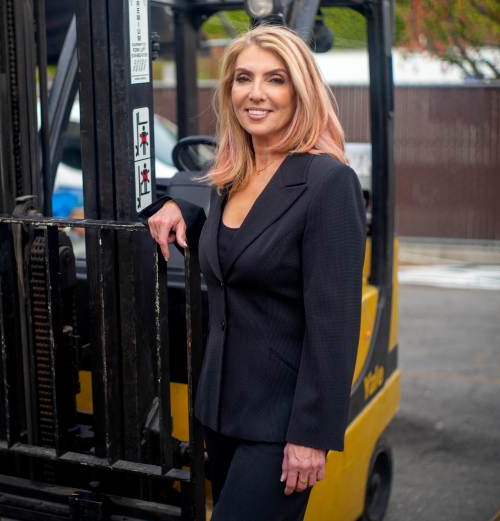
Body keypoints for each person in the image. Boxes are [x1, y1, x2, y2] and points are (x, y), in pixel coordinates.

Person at [140, 24, 366, 520]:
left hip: (280, 424)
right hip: (220, 410)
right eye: (244, 78)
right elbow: (232, 238)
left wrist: (311, 435)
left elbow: (334, 326)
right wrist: (181, 206)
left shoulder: (328, 183)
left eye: (275, 79)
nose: (255, 93)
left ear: (300, 91)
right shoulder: (233, 175)